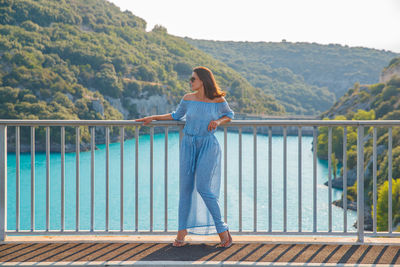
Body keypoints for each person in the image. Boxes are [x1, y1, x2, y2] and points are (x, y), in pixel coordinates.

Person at [135, 66, 234, 248]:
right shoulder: (187, 99)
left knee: (204, 188)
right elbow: (175, 116)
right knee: (185, 189)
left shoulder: (218, 100)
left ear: (202, 80)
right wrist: (153, 117)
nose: (190, 82)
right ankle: (181, 233)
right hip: (188, 145)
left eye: (193, 79)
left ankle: (223, 232)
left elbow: (229, 115)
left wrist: (218, 121)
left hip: (207, 145)